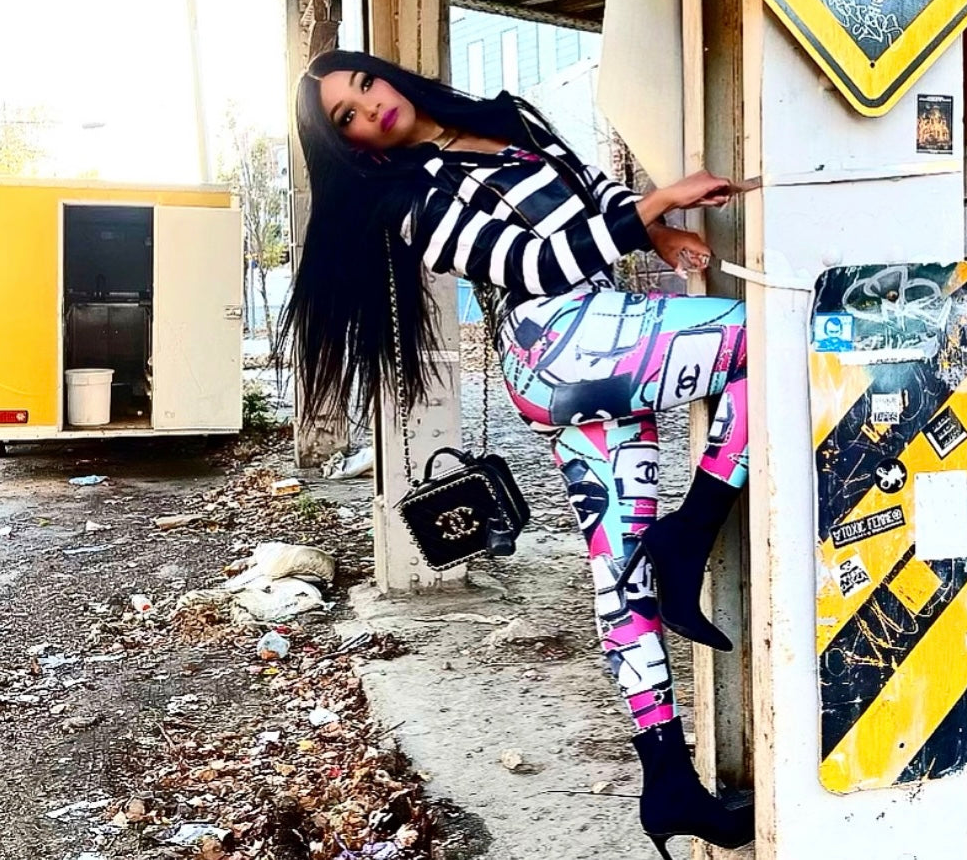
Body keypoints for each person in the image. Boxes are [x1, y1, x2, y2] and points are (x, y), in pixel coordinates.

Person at [281, 49, 753, 858]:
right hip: (561, 345)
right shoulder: (412, 200)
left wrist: (661, 228)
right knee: (763, 341)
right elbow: (536, 264)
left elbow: (593, 195)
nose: (369, 107)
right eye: (347, 117)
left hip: (604, 335)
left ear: (388, 77)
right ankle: (696, 526)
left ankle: (669, 783)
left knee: (621, 572)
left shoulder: (510, 118)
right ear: (354, 147)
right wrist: (659, 200)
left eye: (364, 84)